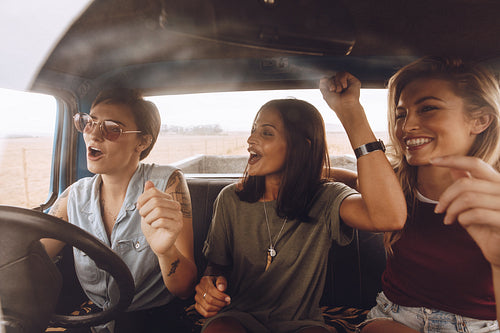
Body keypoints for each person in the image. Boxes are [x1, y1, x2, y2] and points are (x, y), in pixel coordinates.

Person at [193, 73, 407, 333]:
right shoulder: (230, 198)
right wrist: (209, 285)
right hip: (236, 316)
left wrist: (351, 111)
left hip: (301, 324)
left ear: (301, 147)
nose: (250, 140)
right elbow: (217, 265)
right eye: (253, 130)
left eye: (266, 133)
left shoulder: (327, 199)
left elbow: (390, 217)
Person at [354, 57, 500, 332]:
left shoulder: (496, 198)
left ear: (480, 120)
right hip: (395, 317)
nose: (406, 127)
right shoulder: (393, 184)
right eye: (401, 114)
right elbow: (351, 183)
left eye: (428, 109)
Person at [42, 88, 197, 333]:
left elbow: (185, 287)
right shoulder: (74, 196)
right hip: (93, 317)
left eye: (112, 128)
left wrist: (165, 251)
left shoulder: (167, 184)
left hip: (151, 318)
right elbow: (31, 255)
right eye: (89, 123)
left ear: (143, 141)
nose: (93, 133)